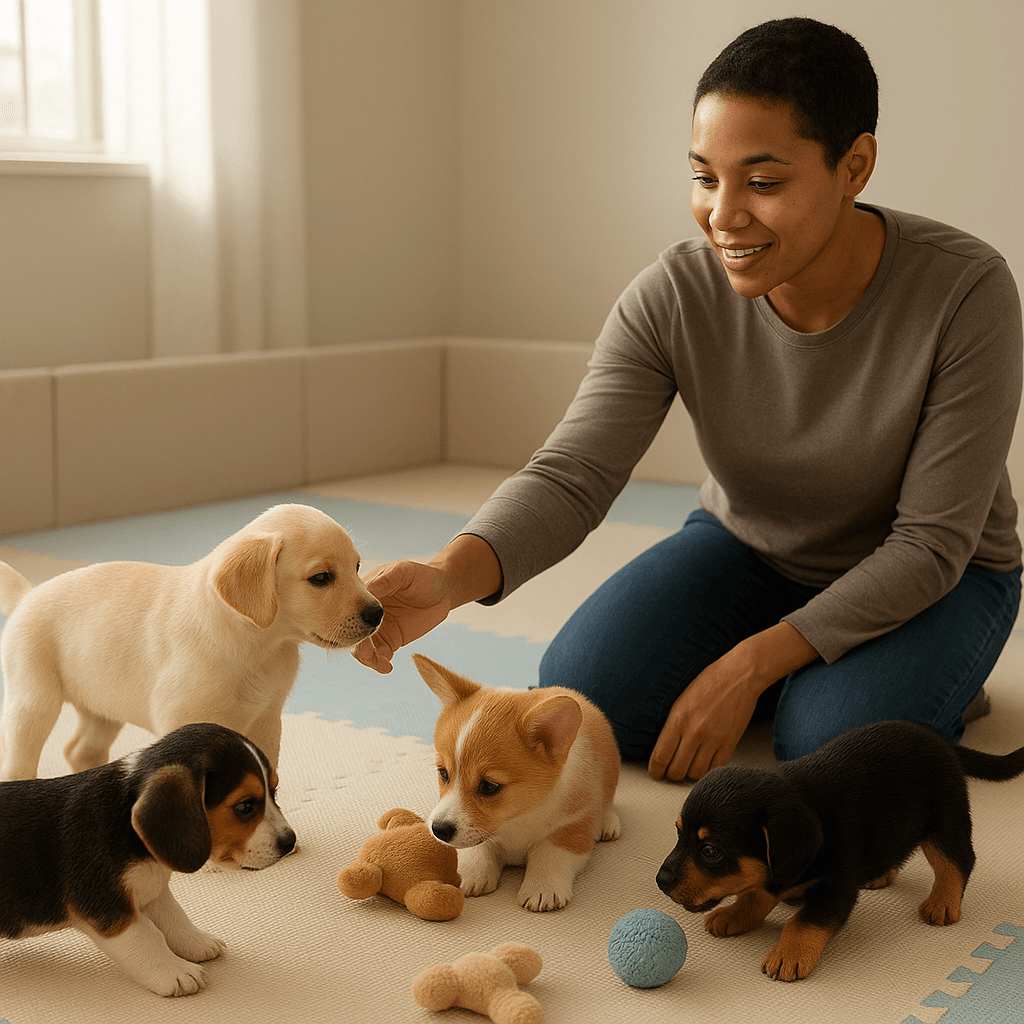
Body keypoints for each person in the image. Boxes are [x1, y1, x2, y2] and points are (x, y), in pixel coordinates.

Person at [353, 17, 1023, 783]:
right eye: (706, 177)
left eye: (763, 182)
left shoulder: (968, 291)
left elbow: (932, 544)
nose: (724, 215)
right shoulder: (672, 294)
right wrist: (448, 575)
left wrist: (746, 667)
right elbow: (574, 472)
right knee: (590, 695)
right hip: (751, 547)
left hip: (943, 575)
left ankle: (882, 681)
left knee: (823, 751)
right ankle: (823, 674)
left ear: (855, 165)